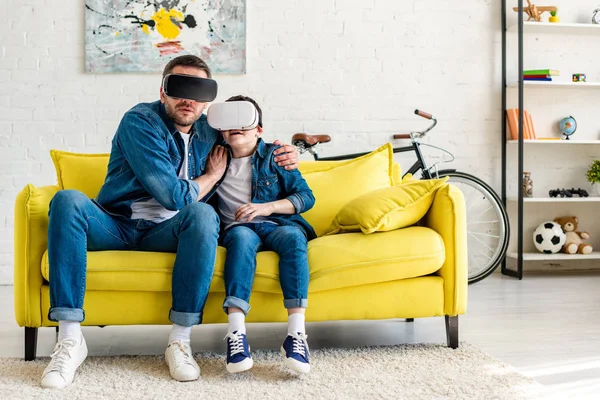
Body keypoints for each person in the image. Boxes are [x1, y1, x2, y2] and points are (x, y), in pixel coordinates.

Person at [41, 55, 300, 389]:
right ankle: (70, 340)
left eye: (198, 90)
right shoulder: (140, 121)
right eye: (179, 88)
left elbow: (250, 142)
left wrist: (286, 152)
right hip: (116, 224)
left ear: (208, 100)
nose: (188, 99)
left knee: (204, 214)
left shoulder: (212, 131)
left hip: (169, 232)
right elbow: (173, 196)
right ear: (163, 92)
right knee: (66, 200)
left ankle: (180, 341)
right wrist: (210, 176)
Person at [210, 96, 316, 374]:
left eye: (245, 121)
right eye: (230, 122)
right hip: (237, 228)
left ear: (258, 129)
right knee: (242, 240)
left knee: (294, 238)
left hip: (277, 224)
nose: (237, 127)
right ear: (221, 129)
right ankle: (236, 335)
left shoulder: (275, 155)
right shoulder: (210, 155)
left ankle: (296, 336)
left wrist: (266, 208)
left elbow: (305, 197)